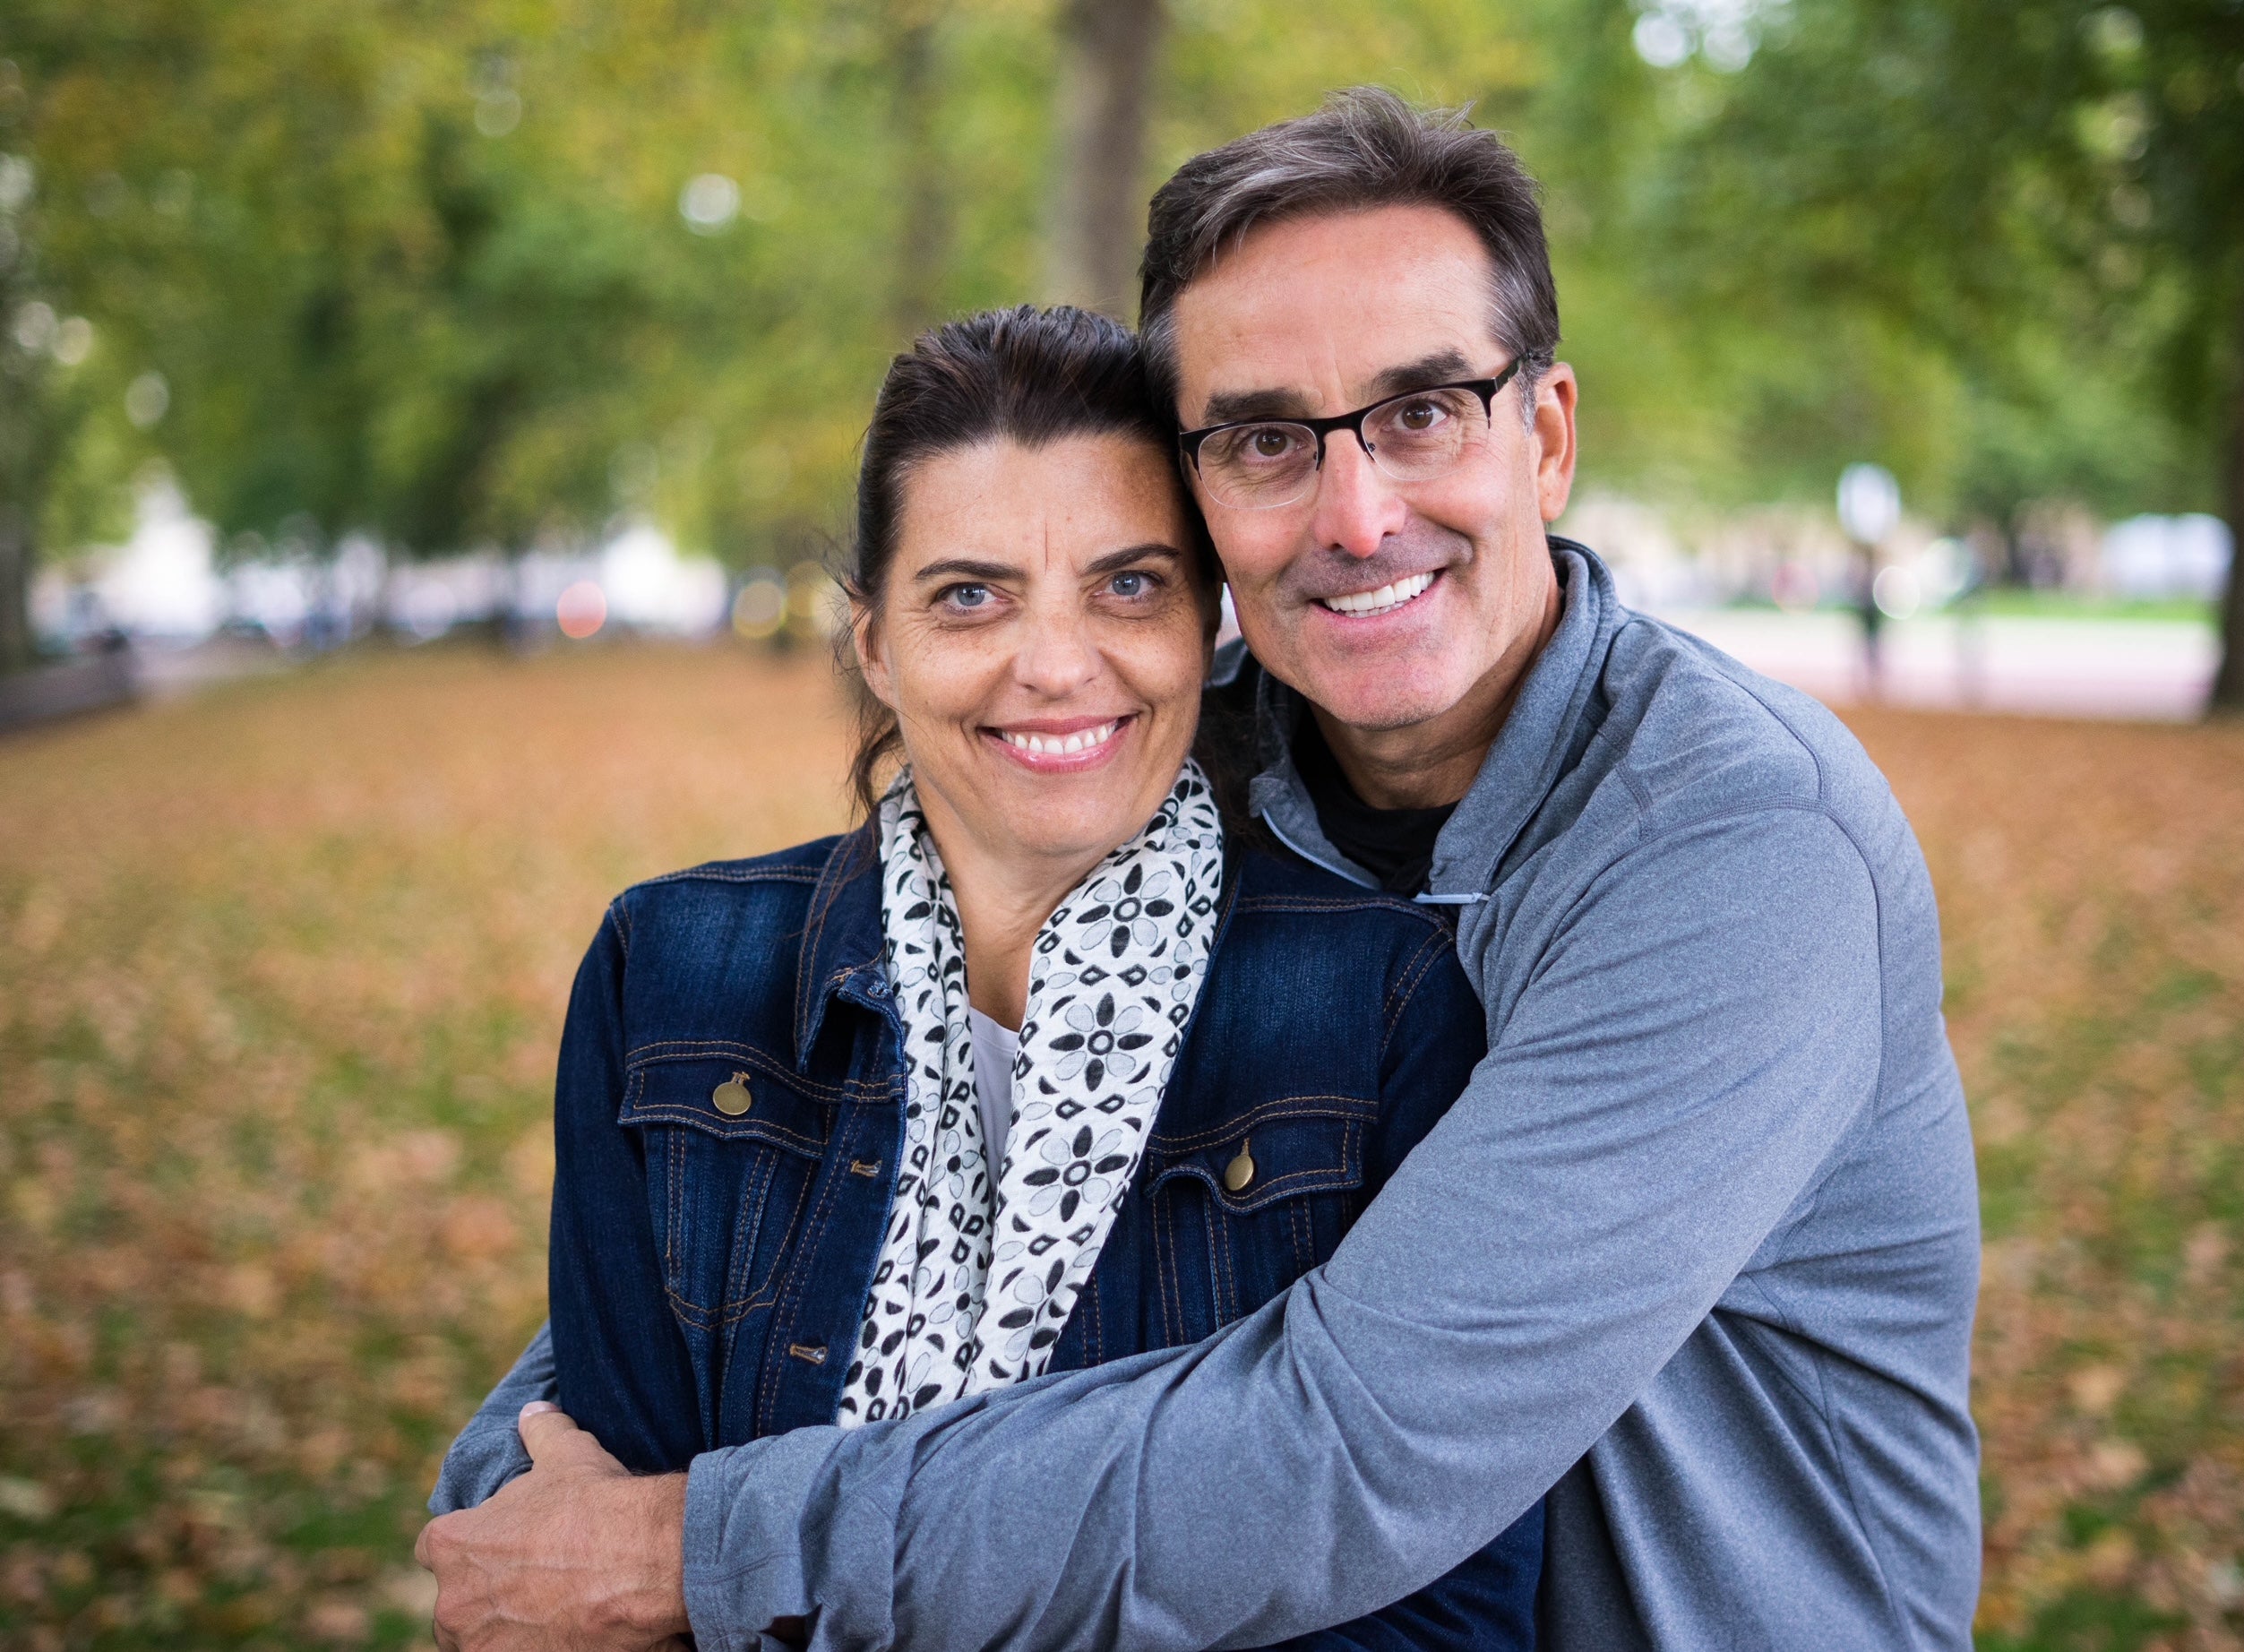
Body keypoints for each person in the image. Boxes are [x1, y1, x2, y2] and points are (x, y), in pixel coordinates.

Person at [420, 89, 1982, 1651]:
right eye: (1263, 441)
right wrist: (523, 1478)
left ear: (1548, 436)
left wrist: (701, 1550)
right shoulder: (1188, 775)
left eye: (1422, 410)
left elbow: (1347, 1448)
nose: (1357, 515)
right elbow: (765, 1201)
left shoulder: (1738, 856)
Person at [424, 303, 1542, 1648]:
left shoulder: (1385, 1002)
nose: (1056, 666)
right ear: (874, 643)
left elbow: (1435, 1599)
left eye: (1129, 585)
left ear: (1207, 624)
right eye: (970, 596)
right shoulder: (671, 969)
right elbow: (587, 1543)